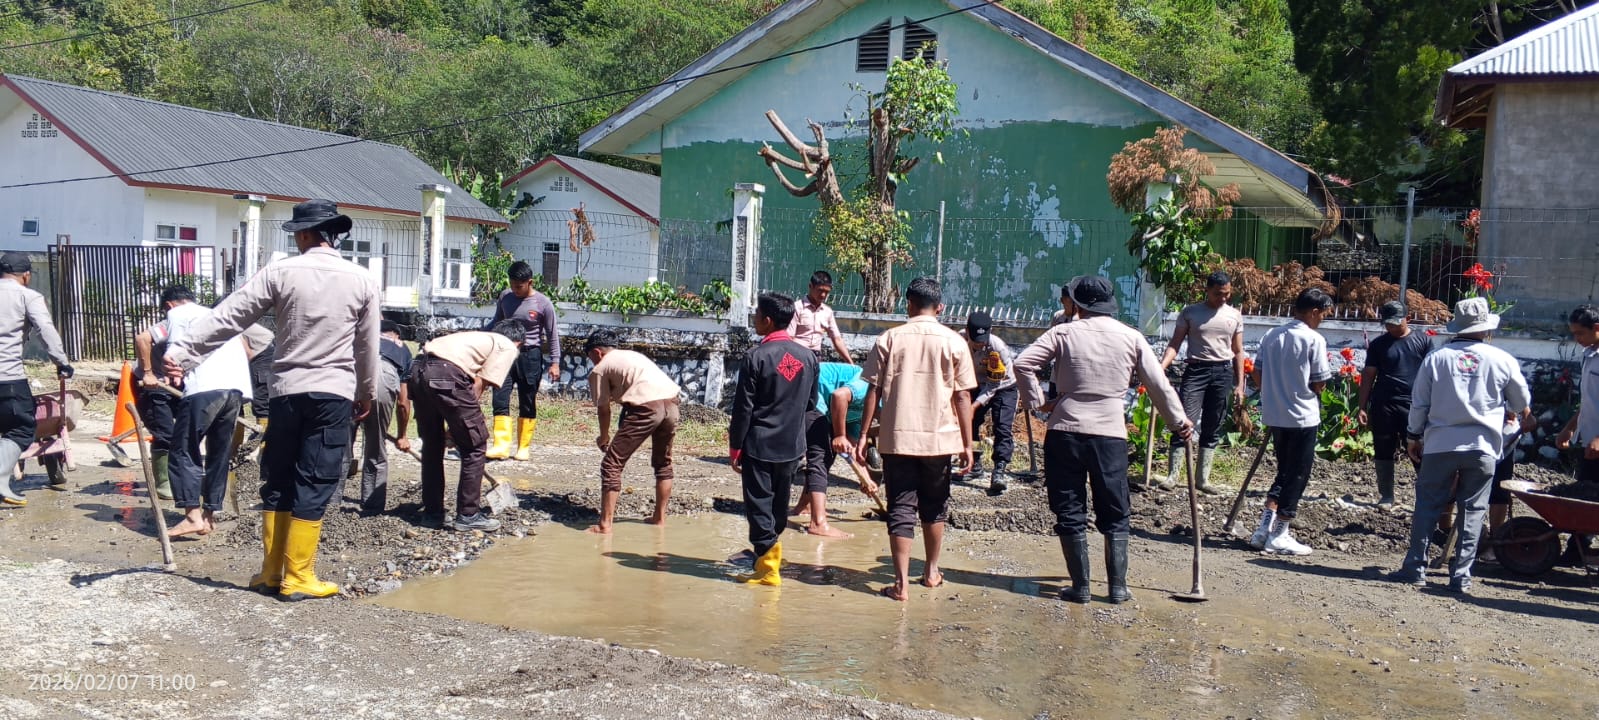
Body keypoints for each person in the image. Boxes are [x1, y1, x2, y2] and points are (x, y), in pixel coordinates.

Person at [165, 198, 380, 601]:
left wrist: (180, 353)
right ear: (333, 235)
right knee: (315, 479)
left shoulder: (280, 271)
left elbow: (229, 316)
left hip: (285, 392)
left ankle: (270, 572)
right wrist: (365, 392)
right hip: (332, 394)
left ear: (303, 234)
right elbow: (366, 345)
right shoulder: (361, 279)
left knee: (278, 476)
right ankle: (298, 577)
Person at [1015, 275, 1192, 604]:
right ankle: (1117, 588)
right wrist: (1178, 421)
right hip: (1110, 433)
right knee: (1114, 507)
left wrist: (1038, 403)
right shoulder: (1131, 337)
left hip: (1065, 430)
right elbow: (1157, 384)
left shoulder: (1063, 332)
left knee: (1069, 508)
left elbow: (1023, 363)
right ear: (1109, 304)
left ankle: (1081, 588)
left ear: (1078, 305)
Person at [1391, 297, 1530, 594]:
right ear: (1486, 328)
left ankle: (1415, 567)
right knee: (1473, 509)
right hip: (1483, 446)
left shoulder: (1436, 358)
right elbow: (1520, 403)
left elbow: (1419, 404)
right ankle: (1461, 576)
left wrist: (1414, 436)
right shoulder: (1502, 360)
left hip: (1440, 443)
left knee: (1428, 505)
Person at [854, 277, 975, 601]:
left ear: (907, 303)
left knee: (900, 507)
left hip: (898, 438)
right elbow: (963, 397)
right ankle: (932, 572)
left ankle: (901, 585)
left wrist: (863, 435)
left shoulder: (889, 339)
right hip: (939, 440)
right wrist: (968, 443)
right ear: (941, 307)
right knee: (935, 506)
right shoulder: (954, 342)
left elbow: (873, 391)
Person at [148, 286, 253, 539]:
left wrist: (156, 373)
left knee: (183, 449)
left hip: (204, 388)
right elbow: (248, 351)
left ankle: (192, 517)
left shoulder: (178, 314)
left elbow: (165, 349)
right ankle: (208, 517)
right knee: (218, 453)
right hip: (235, 389)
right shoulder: (218, 315)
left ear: (170, 305)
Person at [730, 292, 818, 586]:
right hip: (792, 445)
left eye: (756, 314)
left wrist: (735, 446)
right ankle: (767, 556)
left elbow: (743, 408)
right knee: (779, 506)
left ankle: (768, 567)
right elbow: (810, 403)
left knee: (758, 505)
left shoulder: (756, 357)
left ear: (767, 321)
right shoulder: (808, 357)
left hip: (759, 444)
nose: (754, 318)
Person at [403, 322, 522, 531]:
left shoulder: (474, 338)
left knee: (433, 447)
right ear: (519, 342)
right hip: (445, 373)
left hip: (417, 372)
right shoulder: (507, 345)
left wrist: (455, 428)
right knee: (475, 446)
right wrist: (462, 429)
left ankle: (432, 514)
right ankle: (468, 514)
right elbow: (479, 385)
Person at [1247, 288, 1335, 556]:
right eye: (1324, 315)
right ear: (1314, 312)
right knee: (1297, 475)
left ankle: (1264, 528)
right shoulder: (1313, 339)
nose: (1323, 320)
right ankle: (1280, 533)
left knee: (1283, 472)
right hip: (1302, 416)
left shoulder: (1271, 334)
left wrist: (1275, 395)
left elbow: (1257, 374)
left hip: (1275, 415)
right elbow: (1319, 381)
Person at [585, 329, 682, 534]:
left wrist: (603, 437)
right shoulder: (633, 355)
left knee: (612, 463)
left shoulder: (600, 368)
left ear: (597, 353)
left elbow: (603, 408)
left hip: (647, 408)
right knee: (663, 463)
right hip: (672, 405)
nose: (591, 362)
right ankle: (659, 519)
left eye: (590, 358)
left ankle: (604, 526)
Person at [1155, 271, 1243, 495]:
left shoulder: (1234, 315)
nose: (1222, 298)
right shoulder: (1191, 312)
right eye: (1217, 294)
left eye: (1226, 294)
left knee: (1213, 424)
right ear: (1207, 290)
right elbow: (1175, 344)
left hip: (1222, 371)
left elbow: (1238, 350)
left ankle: (1202, 480)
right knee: (1184, 421)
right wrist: (1159, 368)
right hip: (1196, 370)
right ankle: (1173, 476)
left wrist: (1240, 384)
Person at [0, 251, 71, 507]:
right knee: (21, 427)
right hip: (7, 377)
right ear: (26, 275)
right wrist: (62, 363)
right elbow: (46, 330)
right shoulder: (28, 295)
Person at [1357, 301, 1433, 507]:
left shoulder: (1423, 342)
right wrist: (1362, 406)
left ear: (1406, 318)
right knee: (1383, 448)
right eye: (1387, 324)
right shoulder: (1378, 345)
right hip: (1384, 403)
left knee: (1419, 449)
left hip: (1413, 405)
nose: (1390, 328)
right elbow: (1368, 376)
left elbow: (1432, 375)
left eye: (1394, 323)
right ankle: (1387, 495)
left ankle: (1426, 496)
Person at [486, 260, 561, 461]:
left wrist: (555, 362)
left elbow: (552, 334)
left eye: (518, 286)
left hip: (530, 356)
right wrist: (482, 335)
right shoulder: (505, 297)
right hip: (504, 354)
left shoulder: (543, 303)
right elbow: (497, 321)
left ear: (530, 282)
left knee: (527, 400)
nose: (514, 290)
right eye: (511, 285)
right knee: (499, 396)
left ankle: (523, 447)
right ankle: (501, 445)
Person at [793, 361, 872, 537]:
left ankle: (804, 507)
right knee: (820, 454)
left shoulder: (865, 414)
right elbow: (839, 396)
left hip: (825, 404)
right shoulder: (869, 384)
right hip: (811, 389)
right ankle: (818, 523)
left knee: (827, 456)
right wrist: (839, 435)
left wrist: (866, 480)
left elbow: (851, 449)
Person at [349, 320, 412, 514]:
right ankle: (372, 507)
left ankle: (329, 503)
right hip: (382, 376)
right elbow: (403, 402)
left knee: (339, 446)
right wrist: (402, 435)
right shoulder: (401, 349)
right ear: (397, 335)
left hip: (351, 375)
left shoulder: (358, 338)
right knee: (376, 447)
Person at [132, 288, 187, 501]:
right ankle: (163, 482)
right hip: (154, 385)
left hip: (179, 384)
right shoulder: (168, 324)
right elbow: (142, 339)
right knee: (165, 432)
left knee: (185, 431)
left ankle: (180, 477)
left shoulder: (198, 321)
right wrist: (148, 373)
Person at [961, 311, 1017, 494]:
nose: (980, 343)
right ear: (967, 332)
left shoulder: (997, 348)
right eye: (976, 338)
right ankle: (975, 464)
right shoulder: (958, 342)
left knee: (1002, 426)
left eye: (983, 338)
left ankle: (999, 471)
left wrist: (974, 405)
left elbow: (994, 384)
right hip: (975, 383)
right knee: (970, 423)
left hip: (1003, 386)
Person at [1556, 305, 1599, 483]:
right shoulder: (1588, 355)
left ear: (1597, 328)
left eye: (1580, 333)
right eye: (1574, 333)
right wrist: (1570, 428)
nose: (1577, 338)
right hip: (1590, 444)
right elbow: (1589, 400)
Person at [789, 270, 853, 363]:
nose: (823, 295)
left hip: (815, 358)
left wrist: (851, 363)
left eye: (826, 292)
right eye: (820, 290)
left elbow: (837, 339)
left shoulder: (827, 312)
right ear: (810, 286)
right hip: (796, 356)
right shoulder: (797, 308)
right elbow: (788, 337)